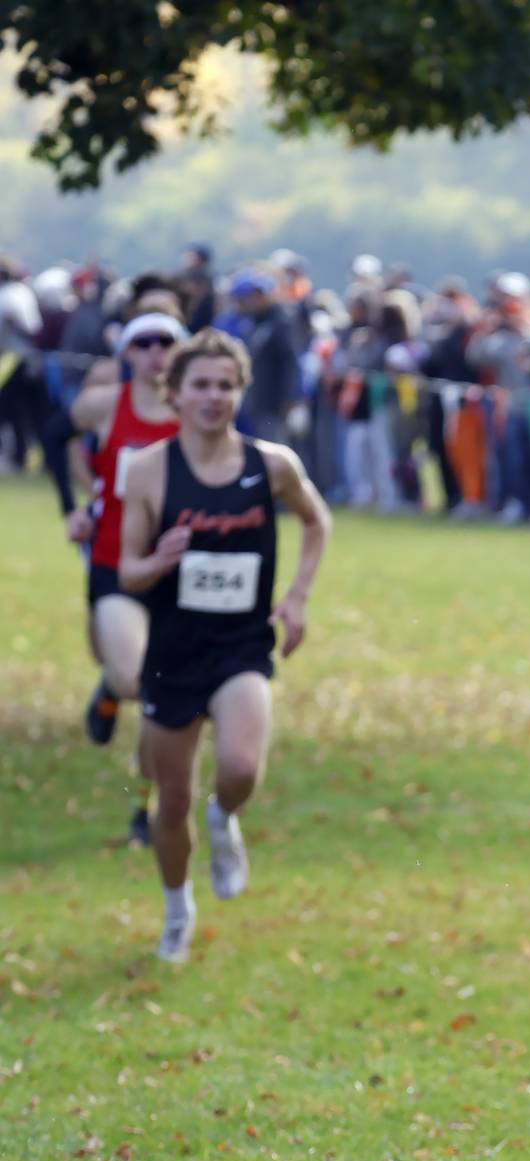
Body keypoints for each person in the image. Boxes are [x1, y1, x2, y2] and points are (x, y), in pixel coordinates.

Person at [118, 329, 330, 961]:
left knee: (239, 768)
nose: (213, 397)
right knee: (170, 797)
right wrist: (156, 561)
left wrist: (295, 597)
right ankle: (177, 907)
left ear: (240, 391)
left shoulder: (272, 464)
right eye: (200, 386)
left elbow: (316, 521)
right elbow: (126, 569)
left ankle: (225, 817)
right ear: (175, 394)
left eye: (225, 385)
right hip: (174, 652)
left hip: (241, 645)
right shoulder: (149, 469)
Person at [64, 311, 186, 842]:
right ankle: (113, 687)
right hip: (116, 562)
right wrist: (76, 502)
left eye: (166, 342)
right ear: (128, 352)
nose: (155, 351)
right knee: (138, 677)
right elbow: (55, 434)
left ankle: (146, 808)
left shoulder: (197, 409)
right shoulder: (103, 405)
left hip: (181, 575)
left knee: (167, 699)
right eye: (144, 342)